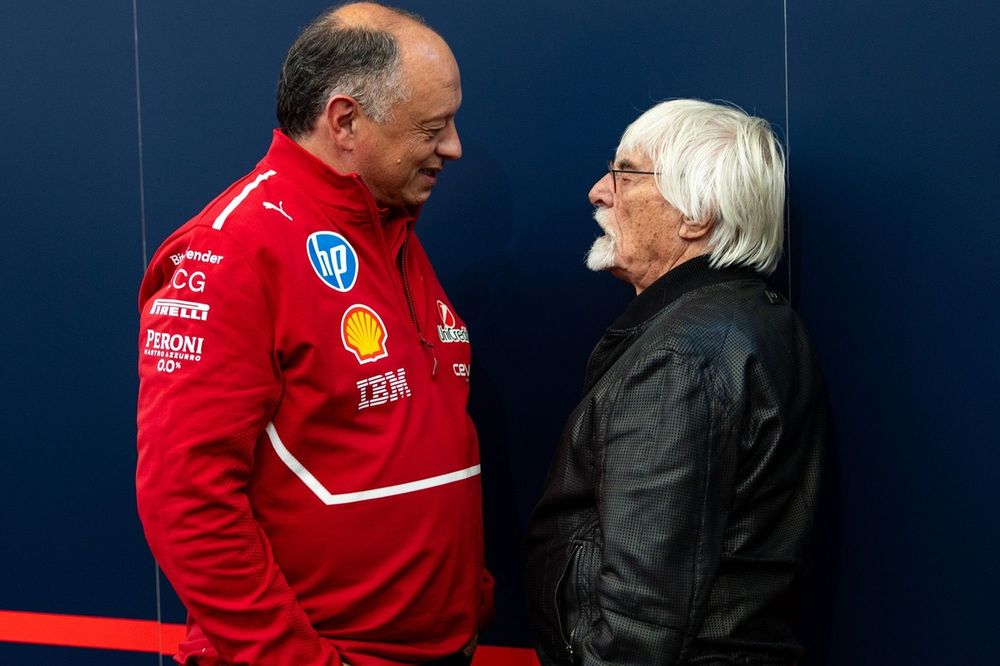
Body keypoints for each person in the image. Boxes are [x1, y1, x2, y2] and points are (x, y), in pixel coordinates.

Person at [135, 4, 492, 665]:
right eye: (433, 128)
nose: (454, 147)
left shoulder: (393, 231)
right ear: (346, 121)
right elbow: (184, 497)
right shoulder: (232, 248)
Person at [524, 99, 828, 665]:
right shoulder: (747, 317)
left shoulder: (680, 357)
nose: (599, 190)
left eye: (626, 173)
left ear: (696, 215)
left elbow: (642, 619)